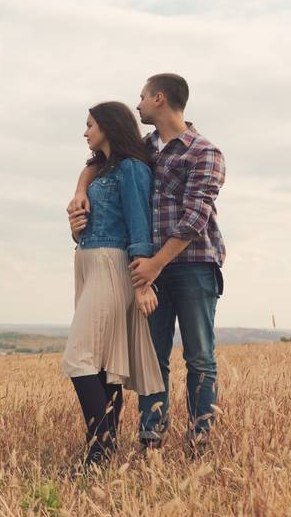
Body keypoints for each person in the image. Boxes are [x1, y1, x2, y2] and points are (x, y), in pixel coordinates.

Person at [67, 74, 225, 453]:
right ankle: (150, 438)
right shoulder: (147, 148)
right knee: (152, 358)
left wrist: (153, 265)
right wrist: (78, 190)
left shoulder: (204, 151)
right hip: (146, 265)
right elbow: (104, 161)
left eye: (141, 97)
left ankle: (200, 439)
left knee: (199, 355)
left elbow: (194, 219)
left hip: (192, 264)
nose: (136, 105)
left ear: (159, 98)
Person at [63, 101, 165, 467]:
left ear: (108, 126)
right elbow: (90, 222)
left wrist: (141, 283)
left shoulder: (132, 169)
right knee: (105, 365)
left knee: (78, 359)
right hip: (89, 263)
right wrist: (75, 229)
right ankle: (104, 454)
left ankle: (99, 448)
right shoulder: (101, 170)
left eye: (90, 124)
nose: (85, 131)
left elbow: (140, 226)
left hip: (111, 265)